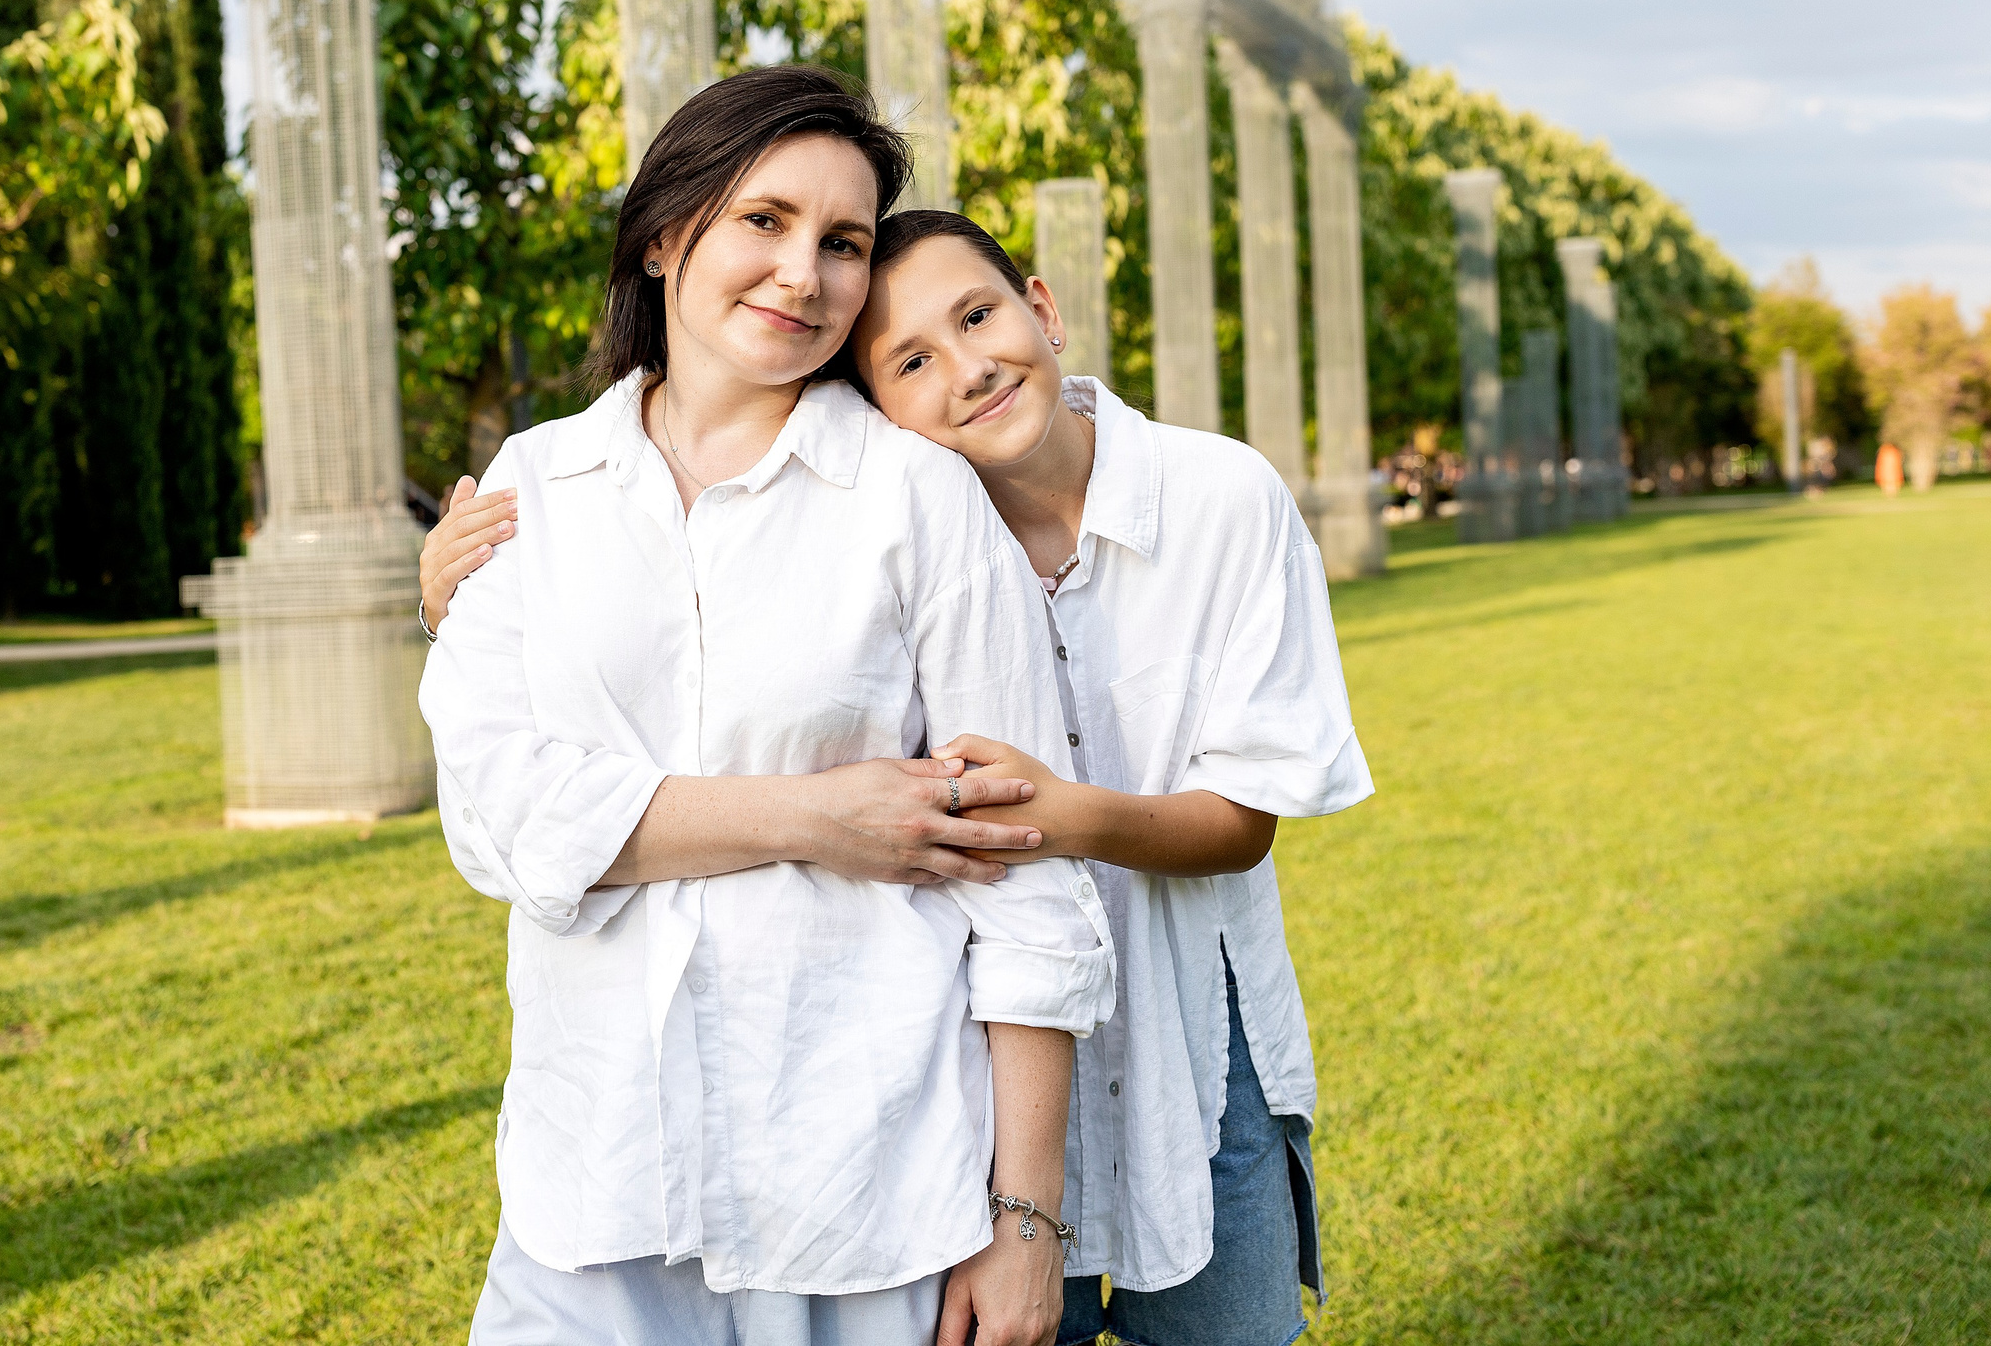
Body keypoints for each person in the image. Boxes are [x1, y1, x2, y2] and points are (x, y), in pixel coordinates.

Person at [424, 208, 1373, 1346]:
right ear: (872, 401)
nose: (966, 369)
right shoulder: (903, 508)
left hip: (1184, 1036)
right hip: (976, 1068)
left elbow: (1243, 817)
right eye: (910, 362)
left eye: (980, 317)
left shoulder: (1216, 498)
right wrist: (467, 603)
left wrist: (1054, 814)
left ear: (1044, 308)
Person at [420, 69, 1115, 1346]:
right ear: (665, 233)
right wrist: (814, 817)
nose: (804, 272)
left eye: (842, 243)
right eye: (766, 220)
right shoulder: (535, 488)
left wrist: (1026, 1221)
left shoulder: (915, 497)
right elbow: (502, 823)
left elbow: (1023, 872)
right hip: (594, 1183)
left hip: (863, 1189)